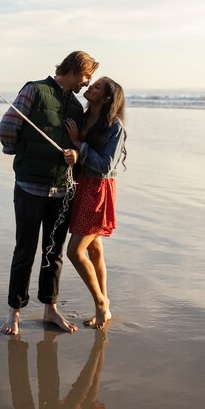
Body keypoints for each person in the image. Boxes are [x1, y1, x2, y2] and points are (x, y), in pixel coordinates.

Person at [0, 51, 100, 335]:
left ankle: (50, 309)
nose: (87, 83)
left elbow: (80, 146)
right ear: (75, 69)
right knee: (25, 251)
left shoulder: (75, 108)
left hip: (63, 191)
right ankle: (14, 312)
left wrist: (75, 156)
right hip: (30, 188)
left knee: (53, 253)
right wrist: (26, 154)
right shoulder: (35, 90)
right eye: (86, 76)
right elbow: (6, 129)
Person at [63, 77, 127, 329]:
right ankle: (106, 307)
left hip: (97, 190)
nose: (90, 87)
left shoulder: (114, 126)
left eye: (97, 87)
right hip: (81, 186)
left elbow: (105, 165)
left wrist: (79, 146)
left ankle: (100, 302)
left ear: (107, 98)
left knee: (74, 252)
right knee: (95, 250)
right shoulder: (83, 117)